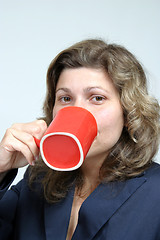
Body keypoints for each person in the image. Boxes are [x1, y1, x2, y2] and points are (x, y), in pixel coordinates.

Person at [0, 39, 160, 240]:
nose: (78, 110)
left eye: (97, 98)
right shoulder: (37, 180)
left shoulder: (156, 192)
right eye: (65, 99)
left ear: (129, 114)